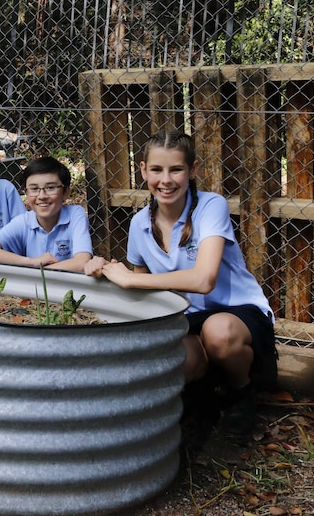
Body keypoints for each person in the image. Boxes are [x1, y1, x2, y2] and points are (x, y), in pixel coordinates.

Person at [83, 129, 277, 439]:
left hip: (236, 311)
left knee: (219, 333)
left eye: (176, 169)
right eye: (157, 169)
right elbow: (143, 290)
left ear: (193, 170)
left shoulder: (210, 207)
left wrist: (131, 279)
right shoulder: (138, 224)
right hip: (186, 317)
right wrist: (102, 269)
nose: (166, 179)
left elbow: (204, 280)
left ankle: (242, 391)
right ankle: (207, 396)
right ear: (143, 170)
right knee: (176, 360)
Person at [0, 156, 93, 271]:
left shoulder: (75, 214)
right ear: (26, 193)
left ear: (65, 192)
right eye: (34, 189)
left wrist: (37, 273)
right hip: (32, 289)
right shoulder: (24, 221)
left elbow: (82, 262)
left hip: (65, 289)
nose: (42, 196)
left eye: (50, 188)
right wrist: (30, 262)